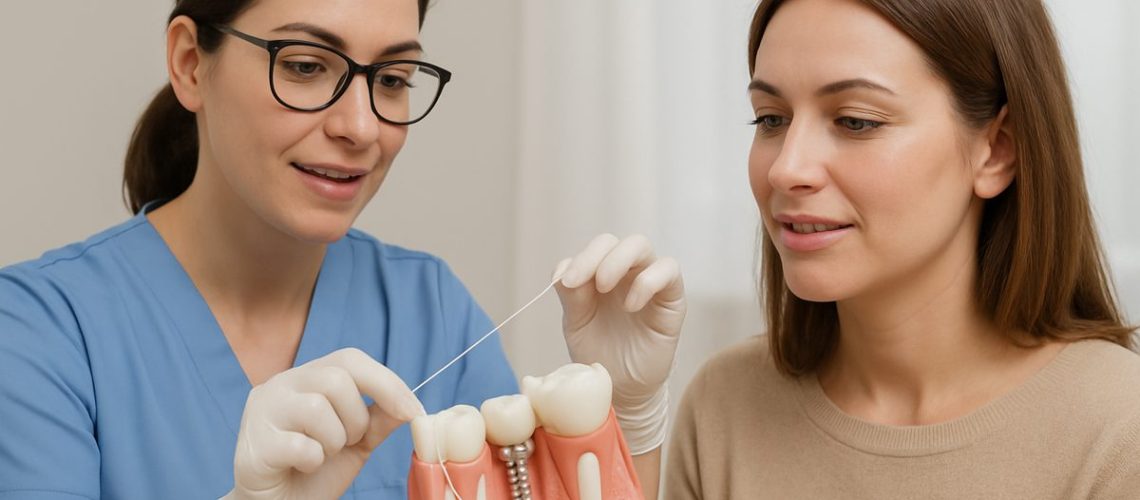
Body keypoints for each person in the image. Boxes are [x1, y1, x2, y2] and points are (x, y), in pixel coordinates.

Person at [0, 0, 685, 498]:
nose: (361, 127)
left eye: (391, 80)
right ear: (190, 64)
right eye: (304, 66)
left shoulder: (430, 310)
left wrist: (622, 415)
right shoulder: (38, 334)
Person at [656, 0, 1140, 498]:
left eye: (856, 121)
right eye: (771, 120)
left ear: (997, 149)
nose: (786, 169)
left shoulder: (1120, 435)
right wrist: (612, 430)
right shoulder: (723, 409)